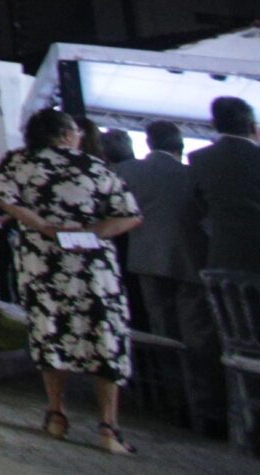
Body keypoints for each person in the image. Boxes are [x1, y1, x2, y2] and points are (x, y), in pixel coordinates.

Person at [0, 105, 143, 454]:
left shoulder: (18, 162)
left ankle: (56, 413)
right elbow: (130, 214)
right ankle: (108, 426)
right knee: (104, 334)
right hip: (92, 264)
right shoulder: (94, 166)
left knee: (49, 330)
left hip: (41, 261)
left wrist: (45, 227)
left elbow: (3, 198)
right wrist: (91, 233)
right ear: (65, 134)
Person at [118, 120, 225, 431]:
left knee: (163, 334)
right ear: (180, 145)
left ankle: (174, 403)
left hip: (147, 262)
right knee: (198, 338)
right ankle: (206, 409)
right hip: (191, 262)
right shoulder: (191, 173)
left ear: (149, 143)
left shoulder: (129, 171)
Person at [192, 96, 260, 272]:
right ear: (252, 126)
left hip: (222, 255)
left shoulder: (199, 159)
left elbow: (198, 205)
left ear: (213, 123)